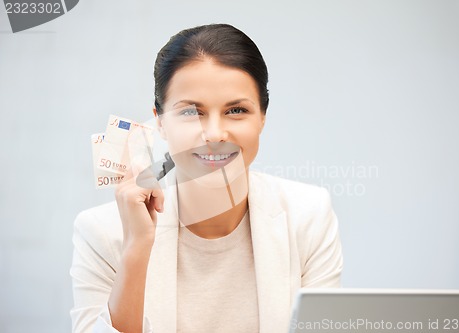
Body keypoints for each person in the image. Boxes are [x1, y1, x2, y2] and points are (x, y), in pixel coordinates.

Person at [70, 23, 343, 333]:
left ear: (263, 118)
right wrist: (136, 247)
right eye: (190, 112)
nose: (214, 134)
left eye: (236, 110)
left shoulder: (309, 215)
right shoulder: (100, 233)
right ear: (160, 122)